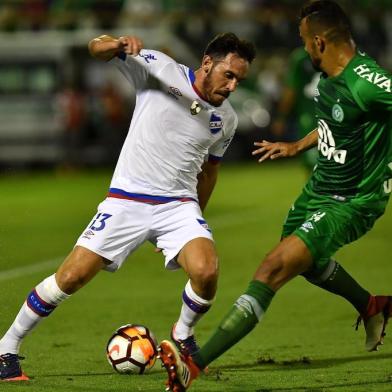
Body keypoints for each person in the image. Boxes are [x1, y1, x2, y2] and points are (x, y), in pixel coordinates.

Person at [158, 1, 392, 390]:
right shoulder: (333, 78)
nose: (301, 49)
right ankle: (372, 306)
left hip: (351, 201)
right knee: (306, 262)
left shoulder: (367, 79)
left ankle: (192, 367)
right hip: (319, 189)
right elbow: (340, 122)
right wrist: (298, 145)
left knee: (272, 269)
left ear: (319, 41)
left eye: (303, 41)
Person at [0, 32, 255, 381]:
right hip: (127, 200)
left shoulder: (226, 119)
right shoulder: (160, 70)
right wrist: (117, 45)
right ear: (207, 64)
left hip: (178, 205)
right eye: (229, 75)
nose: (233, 86)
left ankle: (182, 333)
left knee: (207, 271)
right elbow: (95, 48)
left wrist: (197, 218)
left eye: (239, 79)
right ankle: (6, 349)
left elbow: (210, 172)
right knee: (70, 278)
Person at [270, 46, 320, 172]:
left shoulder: (301, 58)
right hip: (338, 114)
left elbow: (290, 92)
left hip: (310, 118)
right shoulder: (336, 51)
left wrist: (281, 118)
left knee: (314, 166)